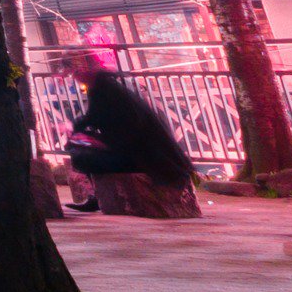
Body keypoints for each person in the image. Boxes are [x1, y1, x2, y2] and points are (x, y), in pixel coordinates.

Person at [60, 50, 194, 209]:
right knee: (79, 148)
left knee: (82, 157)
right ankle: (96, 196)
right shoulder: (105, 85)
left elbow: (101, 119)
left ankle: (97, 197)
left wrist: (91, 136)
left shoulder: (104, 89)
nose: (75, 77)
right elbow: (96, 118)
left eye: (74, 73)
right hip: (134, 150)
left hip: (141, 157)